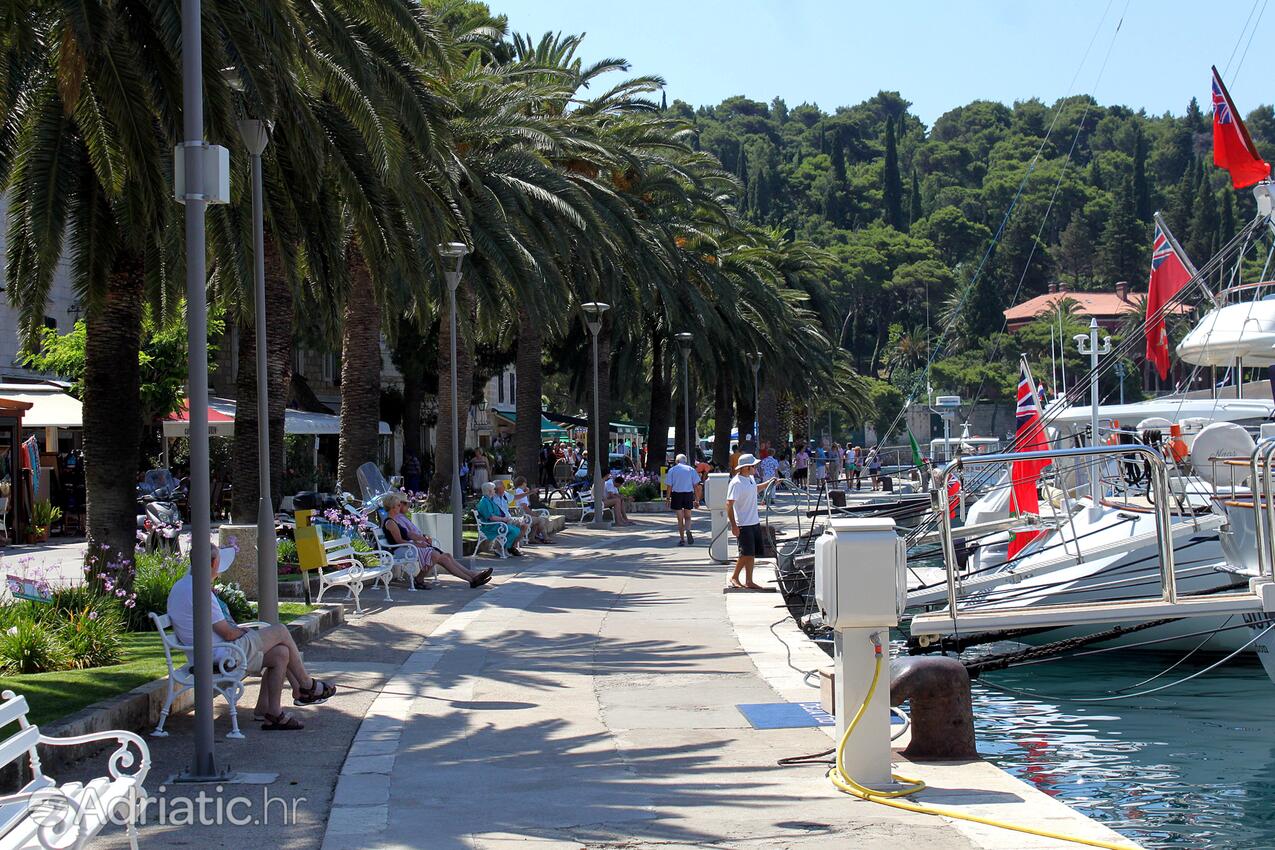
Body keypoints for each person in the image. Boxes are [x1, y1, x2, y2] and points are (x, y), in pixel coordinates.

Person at [167, 545, 335, 731]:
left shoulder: (181, 586)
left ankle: (271, 711)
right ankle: (306, 685)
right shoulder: (200, 591)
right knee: (280, 631)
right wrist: (245, 632)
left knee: (281, 653)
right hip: (223, 654)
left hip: (210, 652)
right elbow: (228, 633)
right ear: (214, 563)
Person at [381, 493, 492, 587]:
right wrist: (417, 543)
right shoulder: (391, 522)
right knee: (437, 555)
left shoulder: (395, 520)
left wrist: (423, 538)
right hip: (403, 549)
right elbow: (399, 540)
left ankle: (472, 577)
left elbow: (409, 534)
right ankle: (472, 578)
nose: (400, 507)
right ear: (392, 507)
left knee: (445, 556)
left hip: (408, 546)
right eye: (398, 505)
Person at [726, 454, 776, 590]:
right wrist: (734, 525)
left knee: (751, 553)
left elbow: (755, 489)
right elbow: (729, 504)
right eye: (753, 466)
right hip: (743, 523)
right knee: (745, 553)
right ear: (746, 467)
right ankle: (735, 577)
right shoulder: (736, 483)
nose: (756, 468)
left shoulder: (750, 479)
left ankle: (749, 580)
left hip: (753, 521)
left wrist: (769, 483)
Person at [476, 481, 524, 556]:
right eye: (494, 489)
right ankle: (500, 549)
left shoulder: (488, 500)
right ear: (489, 491)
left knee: (516, 530)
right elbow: (491, 517)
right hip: (490, 526)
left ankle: (504, 548)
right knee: (514, 530)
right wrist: (503, 519)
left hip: (496, 524)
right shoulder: (485, 501)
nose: (495, 491)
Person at [664, 453, 698, 546]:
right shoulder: (691, 469)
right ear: (685, 461)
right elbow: (695, 485)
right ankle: (688, 530)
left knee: (680, 518)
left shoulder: (672, 470)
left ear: (677, 461)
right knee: (688, 516)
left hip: (676, 495)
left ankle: (682, 539)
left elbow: (669, 486)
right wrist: (697, 499)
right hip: (688, 494)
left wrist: (667, 498)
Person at [511, 476, 554, 543]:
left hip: (521, 515)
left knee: (537, 521)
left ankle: (533, 537)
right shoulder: (520, 492)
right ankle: (545, 538)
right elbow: (525, 507)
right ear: (523, 483)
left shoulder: (518, 491)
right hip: (523, 516)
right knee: (541, 520)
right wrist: (533, 514)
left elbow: (527, 503)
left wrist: (528, 493)